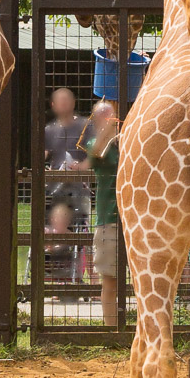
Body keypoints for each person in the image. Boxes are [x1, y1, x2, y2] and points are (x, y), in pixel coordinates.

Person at [86, 99, 121, 326]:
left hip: (133, 221)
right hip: (108, 221)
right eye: (103, 117)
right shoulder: (93, 143)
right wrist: (107, 131)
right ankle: (111, 332)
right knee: (110, 282)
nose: (109, 121)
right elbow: (95, 154)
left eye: (112, 116)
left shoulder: (128, 142)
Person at [42, 87, 91, 220]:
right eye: (60, 100)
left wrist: (82, 166)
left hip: (80, 184)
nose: (64, 103)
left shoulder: (86, 126)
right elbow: (44, 154)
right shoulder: (49, 129)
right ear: (53, 105)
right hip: (56, 185)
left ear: (74, 103)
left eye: (66, 100)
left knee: (80, 228)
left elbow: (96, 153)